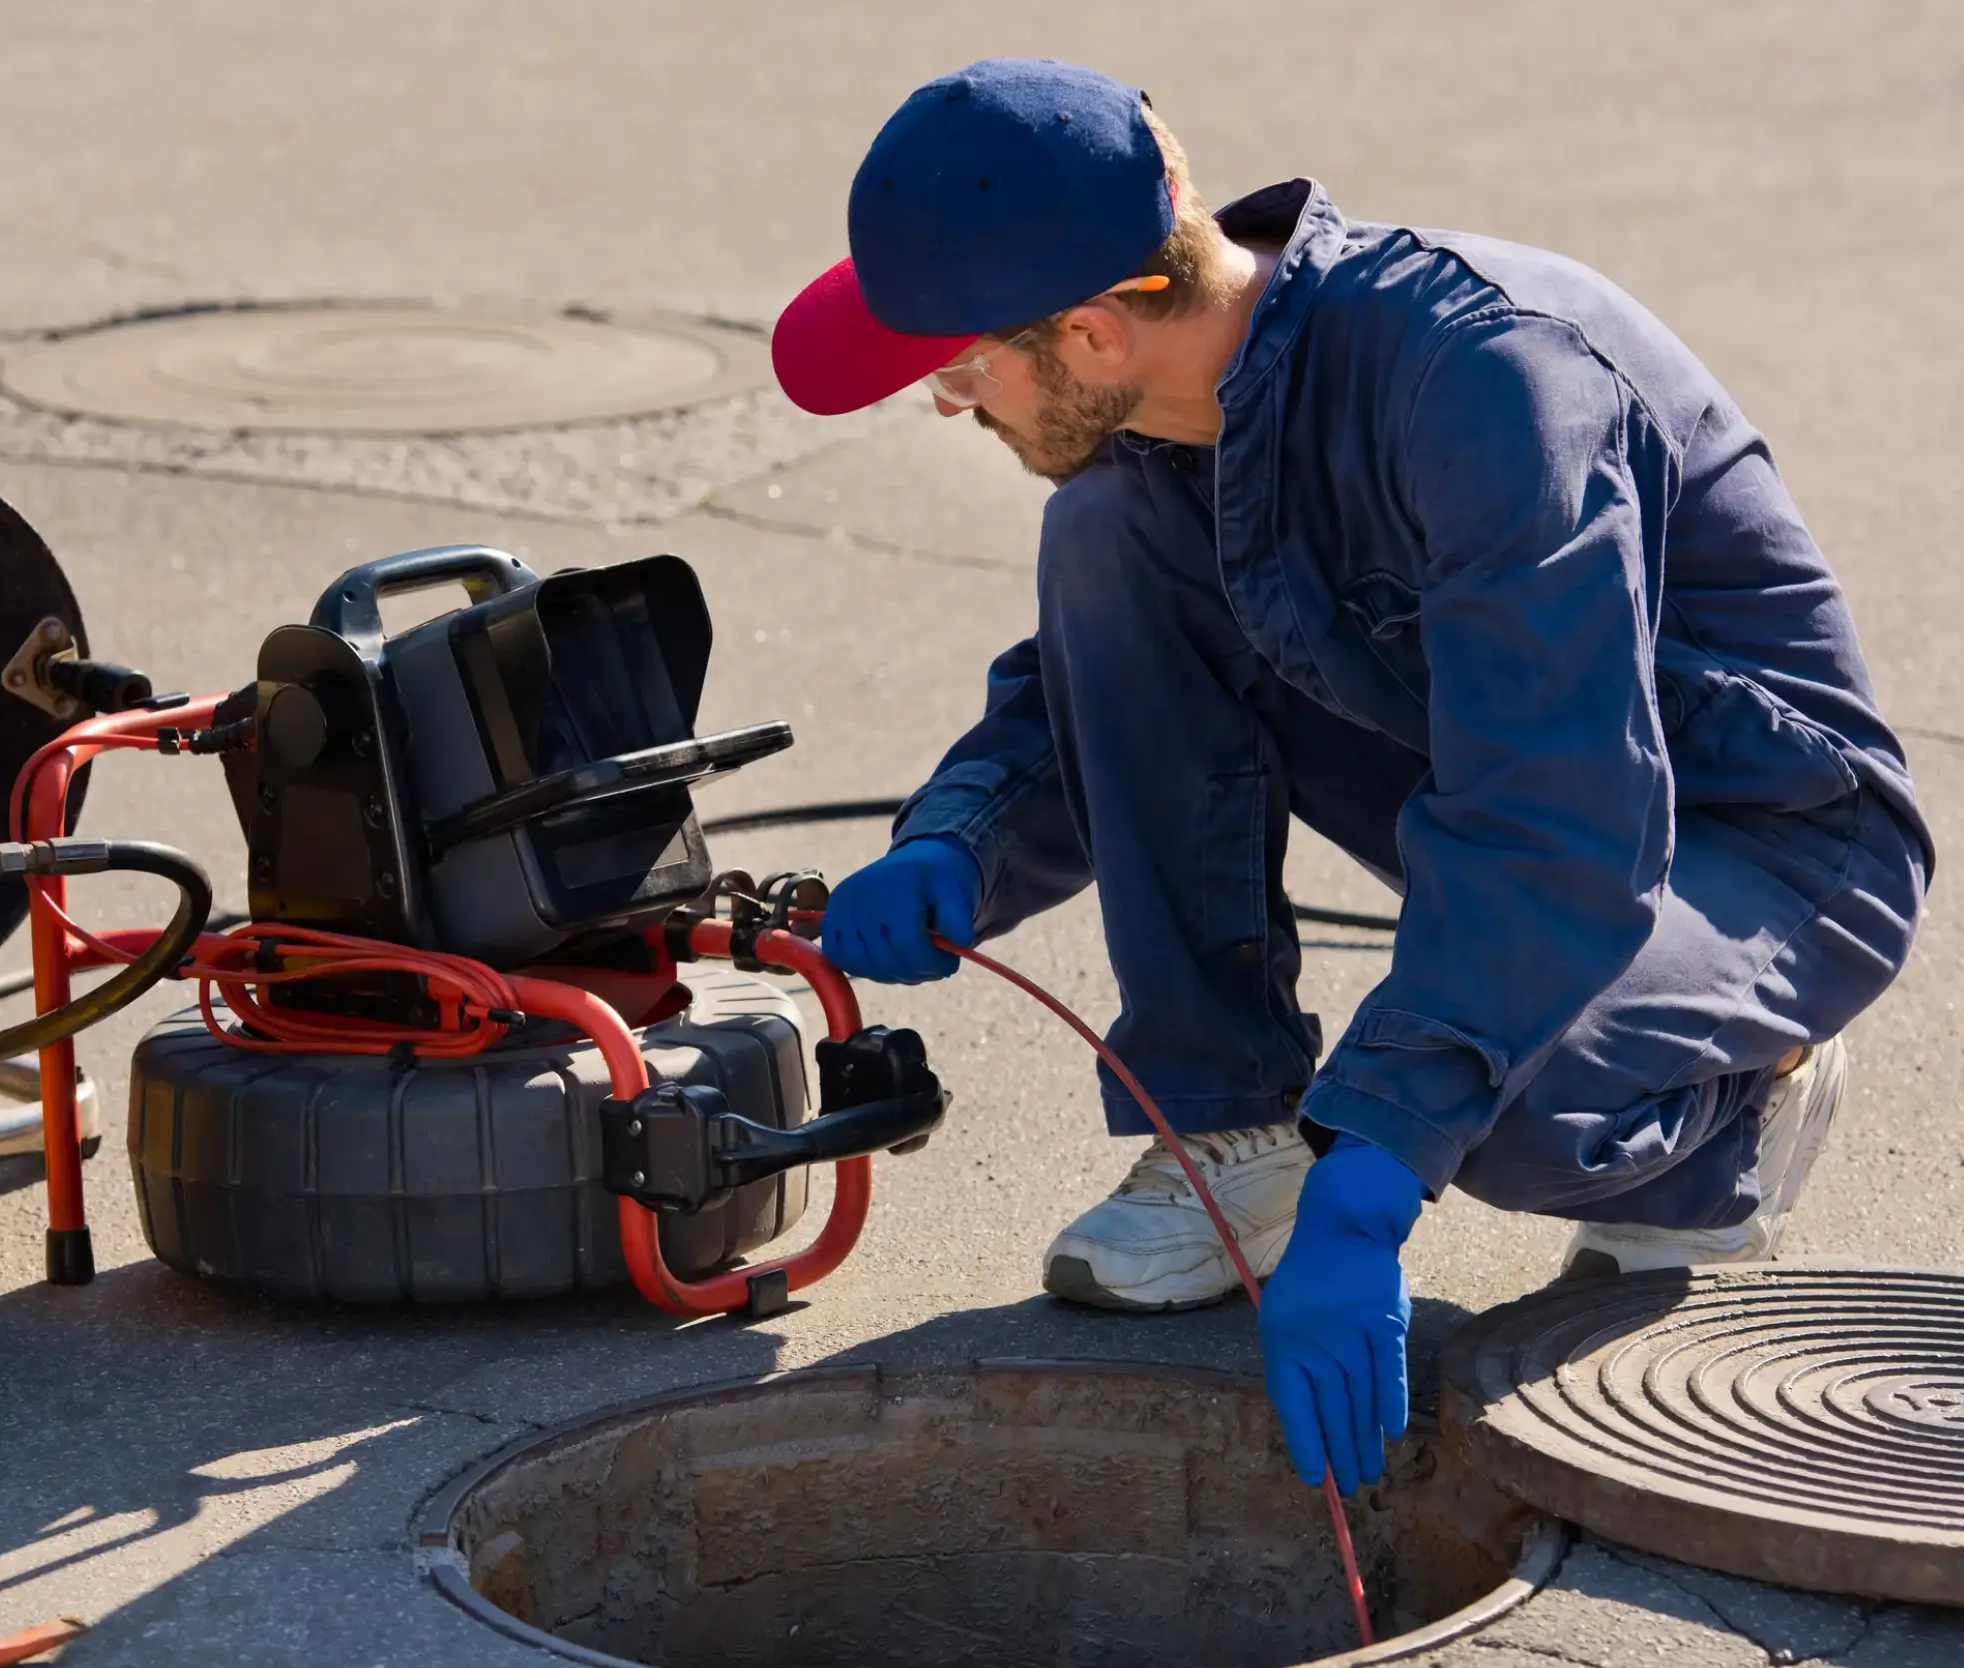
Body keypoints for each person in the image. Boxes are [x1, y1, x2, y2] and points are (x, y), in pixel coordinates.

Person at [772, 57, 1931, 1499]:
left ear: (1089, 331)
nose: (944, 403)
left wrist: (1374, 1180)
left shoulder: (1492, 389)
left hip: (1768, 843)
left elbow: (1557, 820)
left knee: (1488, 1105)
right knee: (1109, 539)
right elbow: (1125, 674)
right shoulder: (1193, 396)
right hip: (1499, 763)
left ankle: (1736, 1113)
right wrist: (961, 840)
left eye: (958, 366)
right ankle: (1231, 1134)